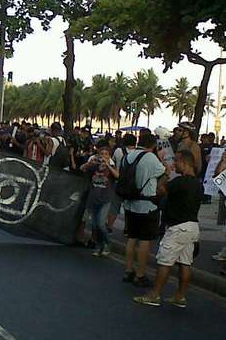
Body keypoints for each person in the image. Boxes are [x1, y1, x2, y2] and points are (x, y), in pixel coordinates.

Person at [134, 150, 203, 308]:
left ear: (185, 163)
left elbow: (160, 190)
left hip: (177, 228)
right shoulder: (197, 185)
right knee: (186, 263)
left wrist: (166, 173)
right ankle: (180, 296)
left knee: (164, 262)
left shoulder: (180, 182)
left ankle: (154, 295)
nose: (174, 165)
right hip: (192, 227)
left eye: (176, 162)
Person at [122, 131, 166, 286]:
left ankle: (128, 270)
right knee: (145, 240)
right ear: (153, 145)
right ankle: (140, 275)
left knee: (131, 238)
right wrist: (161, 159)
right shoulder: (151, 158)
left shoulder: (128, 155)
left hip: (130, 202)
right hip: (147, 204)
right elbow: (163, 171)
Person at [80, 142, 119, 256]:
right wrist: (90, 163)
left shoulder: (111, 167)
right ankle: (98, 246)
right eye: (101, 154)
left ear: (109, 156)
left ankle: (107, 244)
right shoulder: (94, 167)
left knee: (101, 224)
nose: (103, 156)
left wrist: (108, 165)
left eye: (106, 154)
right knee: (94, 225)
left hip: (105, 199)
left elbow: (117, 176)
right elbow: (82, 168)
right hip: (93, 199)